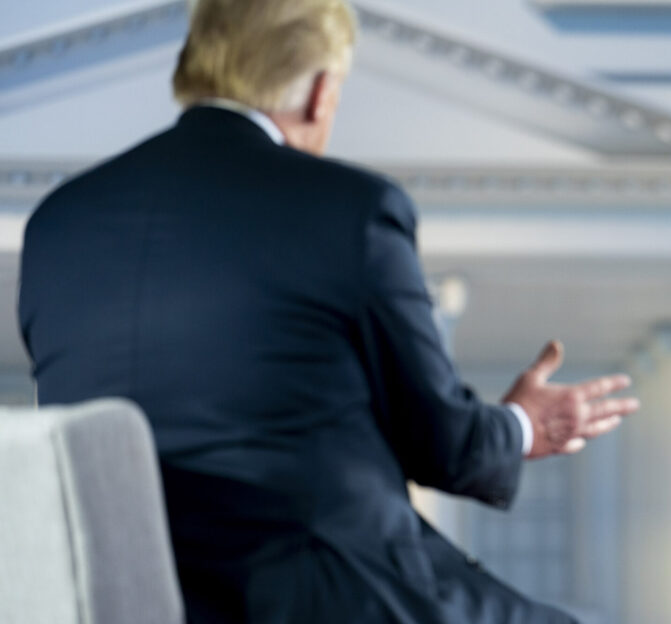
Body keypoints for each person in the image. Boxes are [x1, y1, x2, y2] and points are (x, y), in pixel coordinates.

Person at [18, 0, 638, 622]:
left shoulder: (57, 226)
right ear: (320, 93)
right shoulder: (352, 210)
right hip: (325, 594)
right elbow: (441, 445)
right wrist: (524, 423)